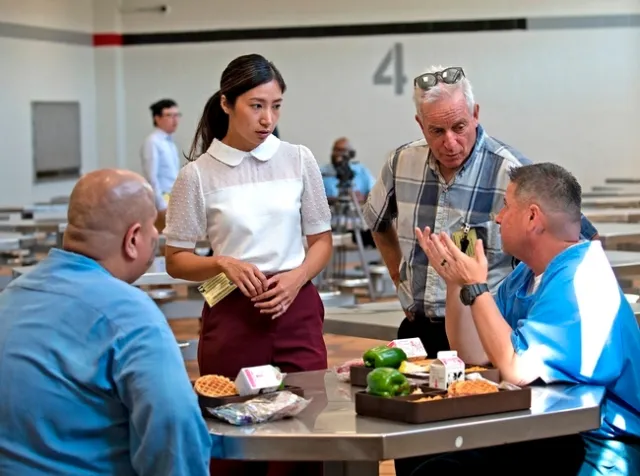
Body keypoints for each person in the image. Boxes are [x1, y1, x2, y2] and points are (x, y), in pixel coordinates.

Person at [402, 162, 640, 475]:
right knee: (420, 454)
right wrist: (456, 283)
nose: (498, 217)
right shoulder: (527, 275)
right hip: (543, 432)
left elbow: (515, 369)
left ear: (532, 217)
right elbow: (473, 353)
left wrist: (477, 287)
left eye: (506, 206)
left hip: (594, 445)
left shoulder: (580, 279)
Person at [163, 53, 332, 476]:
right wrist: (221, 264)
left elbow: (321, 241)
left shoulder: (298, 159)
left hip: (296, 307)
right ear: (226, 103)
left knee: (304, 436)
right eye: (256, 106)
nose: (267, 118)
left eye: (275, 106)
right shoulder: (197, 176)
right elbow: (176, 260)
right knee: (234, 437)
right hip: (231, 311)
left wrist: (296, 278)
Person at [362, 65, 599, 358]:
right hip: (419, 329)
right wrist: (399, 282)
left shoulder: (512, 172)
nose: (450, 142)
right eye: (437, 131)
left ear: (475, 114)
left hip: (486, 334)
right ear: (420, 125)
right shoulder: (400, 163)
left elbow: (579, 240)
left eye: (459, 127)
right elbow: (377, 220)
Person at [0, 169, 211, 476]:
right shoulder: (132, 316)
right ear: (133, 238)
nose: (158, 235)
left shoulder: (10, 297)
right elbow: (174, 432)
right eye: (155, 225)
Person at [140, 98, 182, 232]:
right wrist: (161, 205)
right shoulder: (153, 142)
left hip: (172, 199)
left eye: (177, 115)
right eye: (169, 115)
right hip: (162, 201)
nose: (175, 120)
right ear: (157, 118)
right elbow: (151, 176)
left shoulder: (169, 142)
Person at [321, 137, 376, 202]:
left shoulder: (362, 171)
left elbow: (376, 194)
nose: (338, 154)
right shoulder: (321, 172)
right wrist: (334, 200)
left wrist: (363, 197)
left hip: (357, 209)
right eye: (336, 150)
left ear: (351, 154)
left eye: (342, 150)